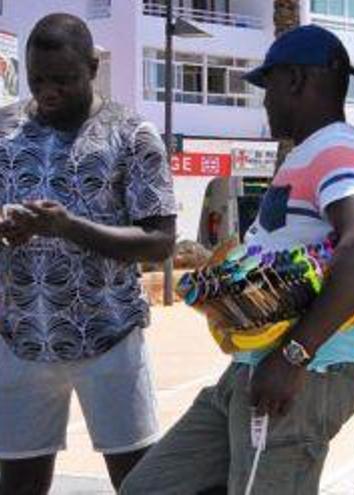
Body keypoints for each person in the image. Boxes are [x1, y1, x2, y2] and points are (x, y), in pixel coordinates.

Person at [121, 25, 354, 494]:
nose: (264, 102)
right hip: (252, 369)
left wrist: (293, 356)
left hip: (307, 371)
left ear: (295, 81)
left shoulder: (337, 149)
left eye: (266, 87)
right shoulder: (309, 154)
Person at [0, 14, 177, 494]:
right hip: (20, 339)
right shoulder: (5, 132)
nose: (48, 91)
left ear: (93, 66)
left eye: (63, 79)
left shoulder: (132, 135)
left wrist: (67, 226)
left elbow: (161, 241)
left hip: (111, 339)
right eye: (38, 80)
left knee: (140, 485)